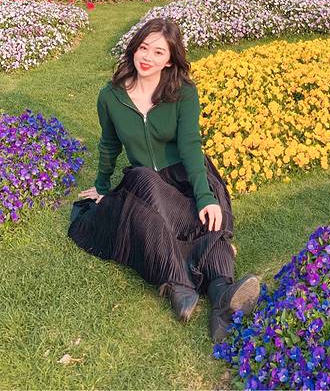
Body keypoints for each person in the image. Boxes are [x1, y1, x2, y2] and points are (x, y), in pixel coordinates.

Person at [68, 18, 259, 341]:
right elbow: (110, 144)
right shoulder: (110, 97)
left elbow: (190, 146)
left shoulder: (183, 93)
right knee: (142, 184)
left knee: (206, 218)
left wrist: (205, 196)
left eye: (158, 52)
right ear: (134, 48)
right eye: (143, 48)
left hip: (184, 177)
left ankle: (221, 295)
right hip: (147, 185)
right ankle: (183, 284)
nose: (147, 57)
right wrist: (101, 187)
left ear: (170, 60)